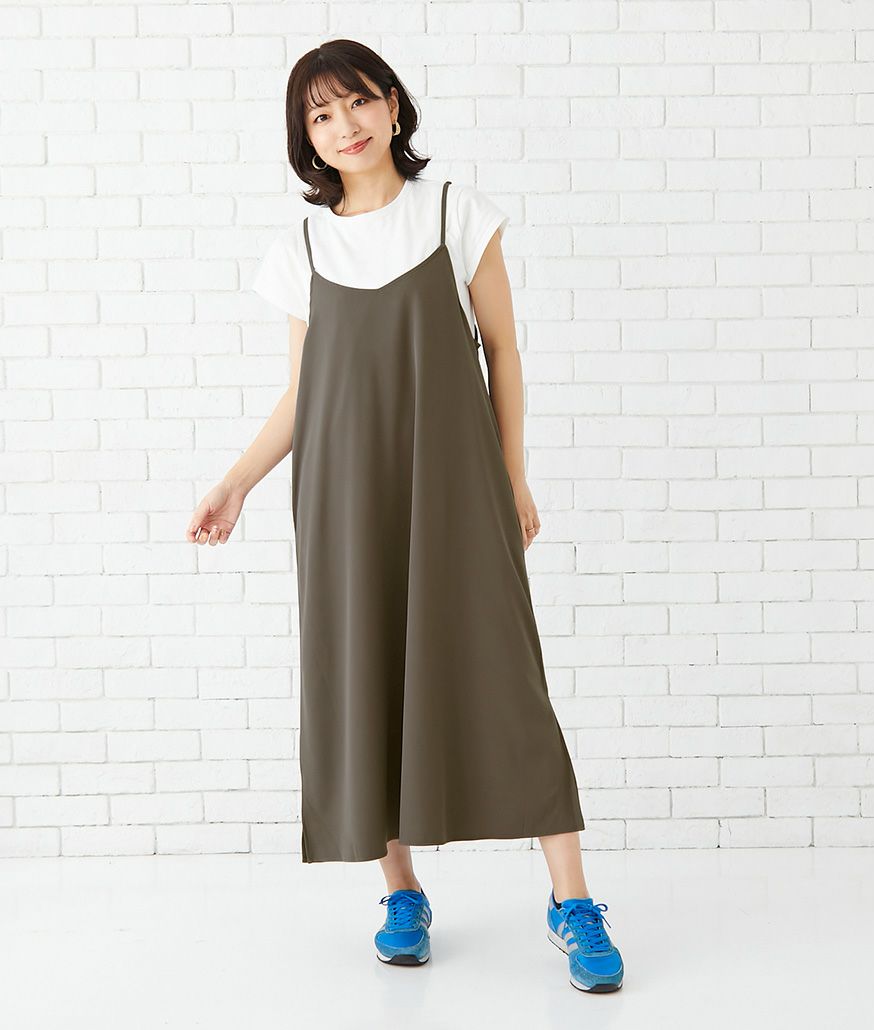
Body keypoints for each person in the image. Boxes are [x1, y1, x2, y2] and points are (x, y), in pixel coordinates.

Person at [185, 39, 624, 994]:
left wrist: (513, 477)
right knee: (366, 674)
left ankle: (573, 900)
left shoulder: (456, 212)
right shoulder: (301, 249)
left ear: (392, 104)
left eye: (356, 103)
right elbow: (304, 394)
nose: (344, 126)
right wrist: (236, 482)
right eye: (320, 116)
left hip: (458, 484)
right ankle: (401, 892)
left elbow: (503, 350)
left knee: (510, 678)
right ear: (305, 138)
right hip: (344, 490)